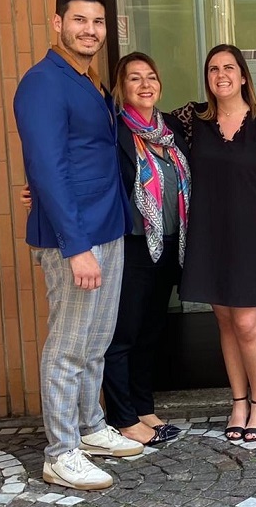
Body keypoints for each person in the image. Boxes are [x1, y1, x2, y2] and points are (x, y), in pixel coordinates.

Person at [13, 0, 142, 491]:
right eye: (79, 20)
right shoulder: (43, 82)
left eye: (97, 22)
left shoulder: (88, 80)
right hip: (77, 238)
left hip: (107, 226)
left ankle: (90, 427)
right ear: (58, 23)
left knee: (95, 342)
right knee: (68, 346)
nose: (90, 30)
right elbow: (48, 166)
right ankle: (61, 451)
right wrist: (76, 246)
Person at [172, 44, 256, 443]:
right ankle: (239, 401)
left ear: (244, 76)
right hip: (210, 236)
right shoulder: (192, 121)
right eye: (213, 69)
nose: (221, 75)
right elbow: (143, 130)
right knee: (226, 322)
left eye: (229, 68)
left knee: (248, 323)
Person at [103, 53, 190, 446]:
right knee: (124, 334)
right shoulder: (114, 129)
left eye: (151, 77)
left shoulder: (171, 128)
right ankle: (123, 418)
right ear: (122, 87)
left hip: (169, 244)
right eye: (134, 78)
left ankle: (143, 407)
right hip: (133, 245)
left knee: (151, 332)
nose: (145, 85)